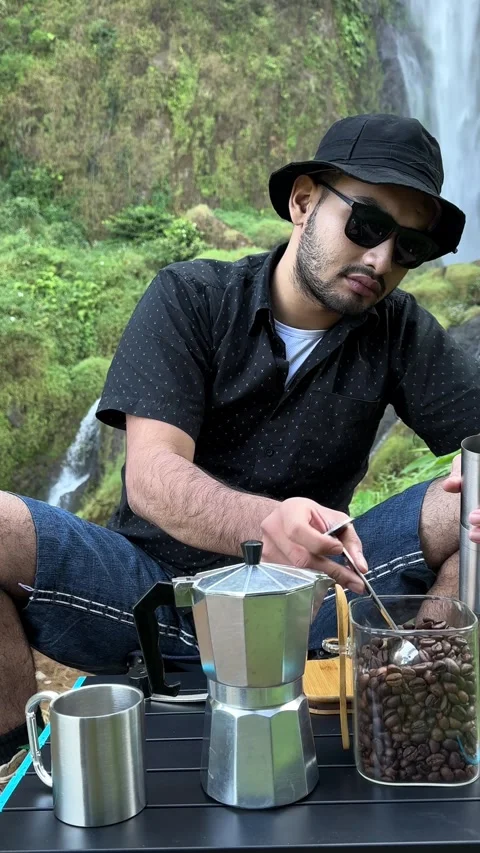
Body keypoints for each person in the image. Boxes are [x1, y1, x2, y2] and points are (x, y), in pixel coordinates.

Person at [1, 113, 479, 779]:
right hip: (151, 600)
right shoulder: (190, 299)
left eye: (408, 249)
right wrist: (266, 524)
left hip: (309, 609)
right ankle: (16, 767)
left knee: (470, 512)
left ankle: (413, 711)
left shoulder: (397, 331)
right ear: (304, 202)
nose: (380, 260)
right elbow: (151, 475)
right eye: (367, 225)